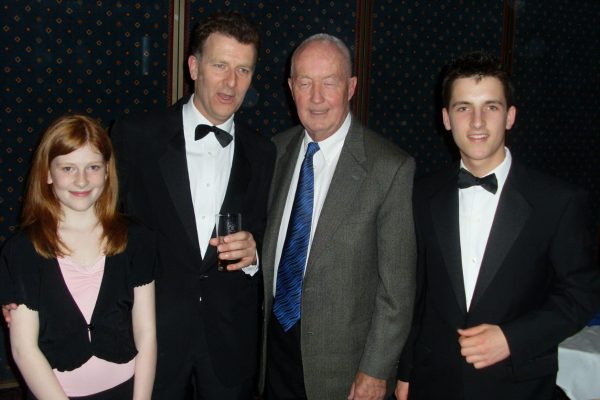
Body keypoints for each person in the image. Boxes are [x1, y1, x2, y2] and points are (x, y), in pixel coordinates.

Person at [395, 51, 600, 400]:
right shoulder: (420, 194)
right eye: (463, 108)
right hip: (434, 383)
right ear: (446, 118)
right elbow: (417, 295)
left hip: (517, 386)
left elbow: (582, 293)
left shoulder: (557, 201)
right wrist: (406, 373)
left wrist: (512, 338)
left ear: (510, 116)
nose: (477, 122)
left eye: (490, 106)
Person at [109, 11, 274, 399]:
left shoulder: (265, 151)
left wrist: (255, 255)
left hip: (231, 341)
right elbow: (102, 228)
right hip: (153, 335)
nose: (232, 83)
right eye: (220, 65)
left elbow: (274, 234)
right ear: (194, 66)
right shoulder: (136, 136)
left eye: (244, 70)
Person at [260, 34, 416, 400]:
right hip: (274, 358)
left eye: (329, 82)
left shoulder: (389, 168)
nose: (316, 98)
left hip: (345, 373)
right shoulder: (272, 152)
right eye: (305, 83)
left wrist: (375, 371)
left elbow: (398, 290)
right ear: (290, 88)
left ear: (350, 87)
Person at [0, 114, 157, 399]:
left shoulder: (136, 238)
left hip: (125, 390)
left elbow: (146, 331)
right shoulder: (23, 249)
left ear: (108, 171)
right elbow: (24, 349)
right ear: (48, 173)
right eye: (68, 168)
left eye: (93, 167)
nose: (82, 180)